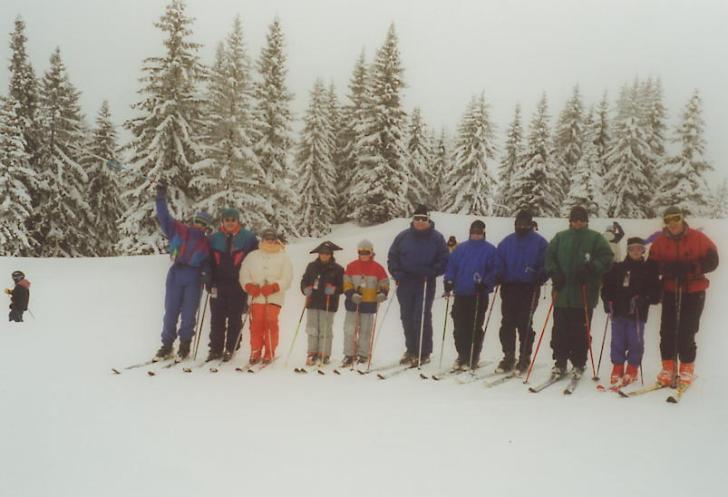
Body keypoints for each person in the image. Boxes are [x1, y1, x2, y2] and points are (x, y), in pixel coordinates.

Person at [648, 206, 719, 387]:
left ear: (682, 219)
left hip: (693, 291)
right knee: (667, 331)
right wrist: (666, 269)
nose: (672, 224)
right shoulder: (660, 242)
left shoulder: (698, 238)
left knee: (687, 331)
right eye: (668, 220)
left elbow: (713, 260)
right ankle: (668, 368)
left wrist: (693, 268)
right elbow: (652, 265)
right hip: (671, 290)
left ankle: (686, 369)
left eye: (676, 219)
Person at [545, 205, 614, 377]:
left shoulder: (595, 238)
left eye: (581, 220)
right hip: (562, 294)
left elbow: (607, 258)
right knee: (560, 330)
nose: (578, 223)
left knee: (580, 331)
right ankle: (560, 362)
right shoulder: (560, 237)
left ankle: (579, 362)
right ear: (570, 221)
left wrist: (592, 268)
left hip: (584, 294)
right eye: (575, 219)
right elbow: (549, 256)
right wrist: (555, 272)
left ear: (586, 221)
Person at [153, 183, 212, 362]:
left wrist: (207, 274)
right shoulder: (179, 230)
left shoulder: (207, 243)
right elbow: (164, 217)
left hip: (194, 277)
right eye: (198, 222)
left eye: (203, 224)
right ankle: (166, 345)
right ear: (193, 221)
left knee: (188, 313)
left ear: (207, 227)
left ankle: (184, 345)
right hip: (176, 273)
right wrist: (160, 197)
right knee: (170, 311)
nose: (199, 226)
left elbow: (210, 262)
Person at [388, 205, 449, 366]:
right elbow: (393, 256)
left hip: (425, 281)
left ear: (428, 219)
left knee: (420, 316)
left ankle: (424, 351)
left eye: (424, 219)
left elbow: (444, 259)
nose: (420, 222)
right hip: (406, 281)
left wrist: (432, 271)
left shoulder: (437, 238)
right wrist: (397, 272)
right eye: (417, 219)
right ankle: (411, 349)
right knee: (406, 316)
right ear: (413, 219)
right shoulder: (403, 237)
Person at [601, 237, 660, 386]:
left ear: (643, 251)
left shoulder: (648, 269)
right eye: (632, 248)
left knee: (635, 341)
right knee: (617, 341)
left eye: (639, 248)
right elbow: (606, 287)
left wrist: (644, 298)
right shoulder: (617, 268)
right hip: (619, 312)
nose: (635, 251)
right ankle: (618, 367)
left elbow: (656, 294)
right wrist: (607, 301)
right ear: (627, 250)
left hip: (637, 314)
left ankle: (632, 368)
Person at [495, 210, 548, 374]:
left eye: (525, 224)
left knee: (524, 322)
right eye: (519, 224)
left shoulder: (539, 242)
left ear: (531, 224)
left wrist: (542, 275)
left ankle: (524, 357)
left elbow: (547, 262)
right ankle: (508, 356)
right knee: (507, 322)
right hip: (509, 286)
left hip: (529, 286)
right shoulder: (507, 241)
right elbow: (498, 260)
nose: (521, 227)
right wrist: (498, 274)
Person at [443, 220, 499, 369]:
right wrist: (448, 281)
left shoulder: (490, 250)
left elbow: (494, 271)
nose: (475, 235)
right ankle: (462, 354)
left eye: (478, 232)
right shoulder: (460, 249)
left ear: (483, 233)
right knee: (459, 326)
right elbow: (451, 267)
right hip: (461, 293)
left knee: (474, 326)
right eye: (473, 232)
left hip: (478, 294)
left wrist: (486, 283)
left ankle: (473, 356)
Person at [206, 208, 258, 362]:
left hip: (238, 284)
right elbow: (208, 261)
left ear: (238, 221)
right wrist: (207, 278)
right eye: (227, 220)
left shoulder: (248, 238)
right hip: (218, 283)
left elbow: (254, 260)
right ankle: (215, 349)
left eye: (233, 220)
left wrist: (251, 281)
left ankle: (231, 348)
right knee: (217, 318)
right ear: (222, 221)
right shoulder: (214, 238)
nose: (230, 223)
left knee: (235, 317)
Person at [239, 227, 293, 364]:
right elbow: (243, 274)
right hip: (256, 297)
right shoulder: (253, 256)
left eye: (272, 239)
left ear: (276, 240)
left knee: (271, 323)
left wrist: (275, 286)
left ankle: (269, 351)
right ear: (262, 239)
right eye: (266, 238)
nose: (269, 241)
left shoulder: (283, 257)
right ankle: (255, 350)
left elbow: (287, 278)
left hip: (274, 297)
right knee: (256, 325)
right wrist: (249, 286)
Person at [341, 240, 389, 367]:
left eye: (366, 252)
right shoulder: (351, 266)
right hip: (353, 302)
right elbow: (346, 282)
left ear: (371, 252)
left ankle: (363, 355)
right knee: (350, 329)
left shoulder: (378, 268)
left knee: (365, 330)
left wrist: (382, 293)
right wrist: (351, 294)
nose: (363, 255)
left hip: (369, 302)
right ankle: (349, 354)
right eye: (361, 252)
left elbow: (384, 282)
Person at [300, 241, 345, 366]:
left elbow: (343, 287)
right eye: (322, 253)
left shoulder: (338, 269)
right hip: (312, 302)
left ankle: (324, 353)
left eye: (327, 253)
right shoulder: (311, 266)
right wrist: (305, 289)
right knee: (312, 329)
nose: (324, 255)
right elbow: (304, 280)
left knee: (325, 330)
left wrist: (334, 289)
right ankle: (312, 353)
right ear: (319, 254)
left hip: (328, 303)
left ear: (331, 254)